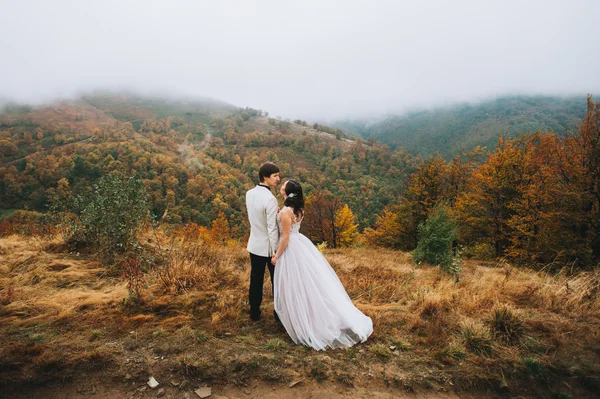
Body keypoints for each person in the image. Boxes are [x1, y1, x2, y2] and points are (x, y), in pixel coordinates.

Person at [271, 179, 373, 350]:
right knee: (308, 283)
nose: (281, 186)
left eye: (283, 185)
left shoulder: (285, 213)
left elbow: (286, 237)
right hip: (301, 246)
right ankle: (309, 314)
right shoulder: (298, 210)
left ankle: (302, 318)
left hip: (290, 249)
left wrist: (276, 256)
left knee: (294, 285)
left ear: (287, 192)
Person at [245, 162, 281, 321]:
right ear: (265, 177)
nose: (278, 179)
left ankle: (254, 312)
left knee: (256, 279)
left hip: (254, 243)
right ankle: (278, 314)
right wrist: (275, 252)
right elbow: (272, 228)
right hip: (268, 247)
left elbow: (255, 217)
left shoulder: (249, 193)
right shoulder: (270, 199)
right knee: (277, 281)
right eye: (275, 176)